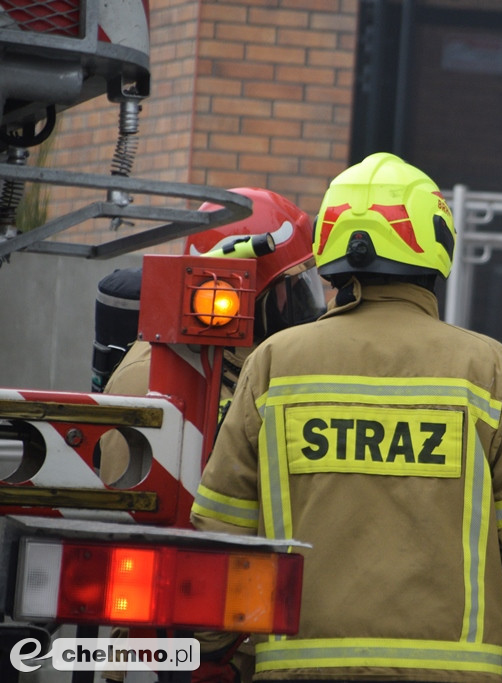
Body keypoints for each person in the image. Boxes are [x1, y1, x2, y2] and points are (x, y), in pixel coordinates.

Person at [190, 152, 502, 682]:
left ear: (331, 249)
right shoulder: (489, 370)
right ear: (436, 245)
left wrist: (211, 651)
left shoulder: (274, 364)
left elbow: (225, 523)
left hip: (298, 670)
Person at [98, 186, 326, 683]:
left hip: (233, 640)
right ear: (245, 291)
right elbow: (136, 535)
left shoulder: (251, 368)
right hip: (165, 651)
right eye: (293, 288)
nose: (308, 305)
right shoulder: (153, 378)